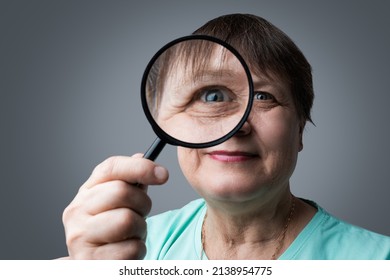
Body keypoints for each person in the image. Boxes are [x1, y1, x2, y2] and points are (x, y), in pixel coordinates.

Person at [62, 13, 390, 260]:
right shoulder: (130, 244)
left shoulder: (377, 261)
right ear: (167, 126)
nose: (238, 125)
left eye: (263, 97)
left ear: (300, 130)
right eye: (212, 97)